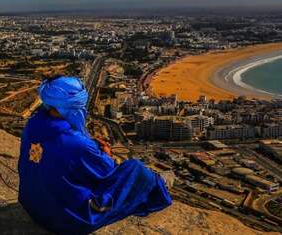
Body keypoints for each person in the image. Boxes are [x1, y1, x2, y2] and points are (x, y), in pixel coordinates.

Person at [18, 76, 173, 235]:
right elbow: (108, 172)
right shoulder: (77, 144)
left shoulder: (32, 125)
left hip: (32, 207)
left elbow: (59, 152)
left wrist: (88, 147)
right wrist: (105, 154)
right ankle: (159, 184)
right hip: (64, 221)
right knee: (136, 169)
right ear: (73, 106)